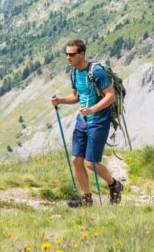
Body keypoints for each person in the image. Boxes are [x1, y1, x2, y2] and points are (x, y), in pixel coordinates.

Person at [50, 39, 124, 207]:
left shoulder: (96, 71)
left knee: (91, 163)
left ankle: (114, 184)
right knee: (76, 160)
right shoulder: (74, 73)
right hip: (82, 122)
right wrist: (60, 100)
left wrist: (92, 110)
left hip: (98, 122)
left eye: (71, 54)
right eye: (66, 54)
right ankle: (86, 198)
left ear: (81, 54)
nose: (68, 57)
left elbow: (110, 95)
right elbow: (76, 97)